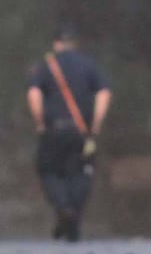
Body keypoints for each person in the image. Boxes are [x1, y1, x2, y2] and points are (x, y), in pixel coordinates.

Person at [26, 25, 111, 242]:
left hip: (53, 130)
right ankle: (73, 216)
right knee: (81, 173)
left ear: (56, 44)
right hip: (81, 131)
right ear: (74, 43)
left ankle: (64, 208)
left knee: (48, 171)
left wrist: (39, 121)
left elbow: (34, 93)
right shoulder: (89, 64)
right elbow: (103, 92)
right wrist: (96, 125)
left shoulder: (46, 66)